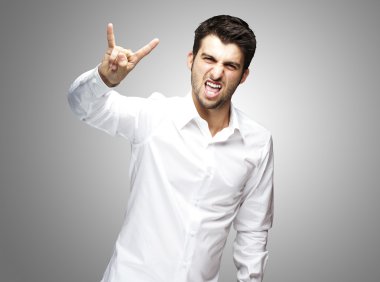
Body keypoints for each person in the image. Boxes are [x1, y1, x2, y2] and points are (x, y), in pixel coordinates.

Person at [68, 15, 274, 282]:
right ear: (191, 60)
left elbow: (253, 231)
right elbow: (82, 107)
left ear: (244, 75)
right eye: (208, 59)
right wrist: (103, 79)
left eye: (230, 65)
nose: (216, 73)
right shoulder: (153, 116)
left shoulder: (257, 142)